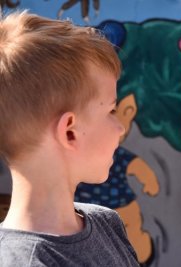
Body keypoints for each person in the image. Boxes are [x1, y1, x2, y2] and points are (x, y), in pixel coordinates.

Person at [0, 11, 139, 266]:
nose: (120, 128)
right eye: (110, 110)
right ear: (70, 132)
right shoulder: (22, 262)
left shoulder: (107, 222)